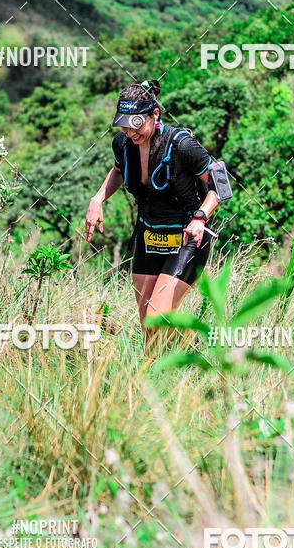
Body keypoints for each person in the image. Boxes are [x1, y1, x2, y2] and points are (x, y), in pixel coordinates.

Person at [85, 79, 221, 348]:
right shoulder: (123, 144)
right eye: (124, 124)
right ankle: (171, 364)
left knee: (157, 318)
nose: (130, 132)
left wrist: (200, 217)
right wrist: (98, 197)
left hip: (186, 238)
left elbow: (220, 184)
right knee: (148, 325)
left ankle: (182, 357)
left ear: (154, 114)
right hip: (149, 235)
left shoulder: (182, 145)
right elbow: (119, 170)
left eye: (136, 124)